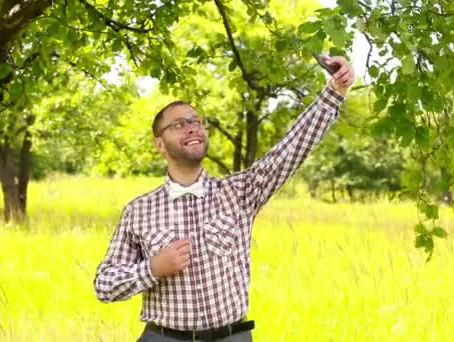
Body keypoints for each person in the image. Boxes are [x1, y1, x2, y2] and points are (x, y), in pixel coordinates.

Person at [94, 56, 355, 341]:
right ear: (159, 143)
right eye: (179, 124)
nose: (192, 127)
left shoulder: (240, 192)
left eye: (196, 121)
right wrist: (152, 268)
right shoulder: (139, 210)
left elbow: (290, 148)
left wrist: (334, 92)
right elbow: (105, 285)